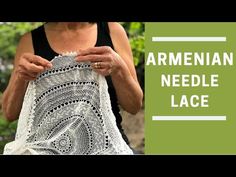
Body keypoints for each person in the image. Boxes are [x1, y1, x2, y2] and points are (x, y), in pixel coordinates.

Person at [1, 22, 143, 154]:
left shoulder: (113, 31)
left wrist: (119, 69)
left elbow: (134, 105)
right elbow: (9, 113)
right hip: (47, 150)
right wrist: (20, 78)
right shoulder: (30, 40)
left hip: (107, 147)